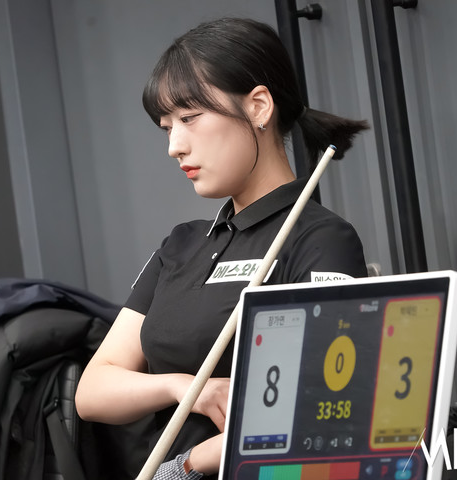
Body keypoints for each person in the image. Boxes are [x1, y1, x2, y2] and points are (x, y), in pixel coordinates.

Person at [75, 17, 369, 480]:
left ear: (258, 107)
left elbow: (322, 405)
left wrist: (187, 466)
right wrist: (188, 388)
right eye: (167, 127)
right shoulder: (181, 244)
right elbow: (93, 391)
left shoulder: (319, 239)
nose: (174, 146)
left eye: (190, 118)